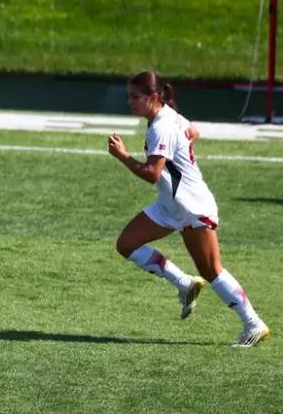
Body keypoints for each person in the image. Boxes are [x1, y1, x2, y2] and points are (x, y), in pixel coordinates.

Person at [107, 70, 269, 347]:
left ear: (153, 97)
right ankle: (184, 284)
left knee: (211, 270)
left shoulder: (161, 126)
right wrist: (180, 154)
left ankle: (253, 324)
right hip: (171, 205)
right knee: (127, 244)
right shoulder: (166, 116)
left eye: (135, 97)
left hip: (192, 207)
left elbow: (151, 174)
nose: (129, 102)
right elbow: (193, 132)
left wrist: (122, 156)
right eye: (128, 96)